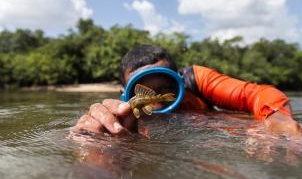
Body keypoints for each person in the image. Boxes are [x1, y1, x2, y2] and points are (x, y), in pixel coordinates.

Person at [71, 44, 302, 137]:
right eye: (144, 95)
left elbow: (259, 94)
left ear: (180, 80)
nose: (158, 104)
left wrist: (278, 118)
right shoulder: (125, 113)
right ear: (125, 95)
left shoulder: (198, 80)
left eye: (166, 88)